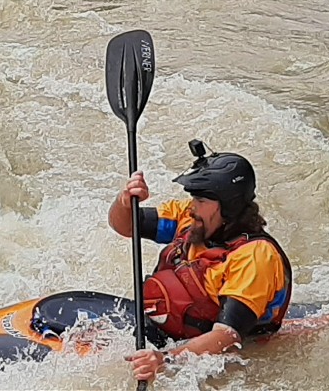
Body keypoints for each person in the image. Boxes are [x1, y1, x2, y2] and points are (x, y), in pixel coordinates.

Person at [109, 141, 293, 382]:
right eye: (194, 198)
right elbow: (124, 226)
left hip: (215, 354)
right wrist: (125, 201)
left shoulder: (255, 257)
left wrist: (165, 360)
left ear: (228, 208)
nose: (193, 207)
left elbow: (226, 337)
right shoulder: (192, 219)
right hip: (169, 327)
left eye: (202, 201)